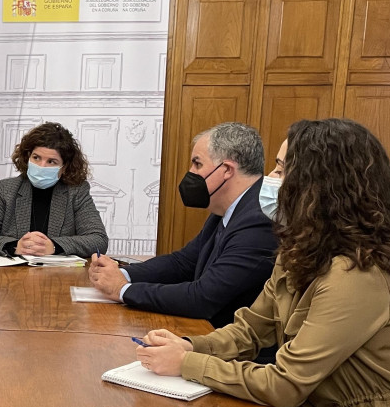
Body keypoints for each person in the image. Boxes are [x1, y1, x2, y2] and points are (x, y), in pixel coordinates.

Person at [136, 119, 390, 407]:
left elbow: (285, 384)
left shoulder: (357, 273)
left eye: (280, 169)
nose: (269, 179)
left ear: (320, 186)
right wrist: (189, 346)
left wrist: (187, 363)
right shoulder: (298, 249)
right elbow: (250, 329)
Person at [89, 122, 278, 328]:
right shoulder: (227, 210)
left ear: (226, 170)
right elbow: (183, 263)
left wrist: (122, 290)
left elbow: (203, 297)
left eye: (197, 164)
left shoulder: (259, 220)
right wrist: (121, 273)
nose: (190, 172)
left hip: (232, 349)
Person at [0, 122, 108, 258]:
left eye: (51, 161)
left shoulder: (76, 192)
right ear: (28, 157)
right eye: (36, 158)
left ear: (64, 167)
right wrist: (15, 246)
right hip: (13, 275)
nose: (42, 166)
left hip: (58, 277)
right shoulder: (8, 189)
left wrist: (54, 246)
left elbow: (98, 240)